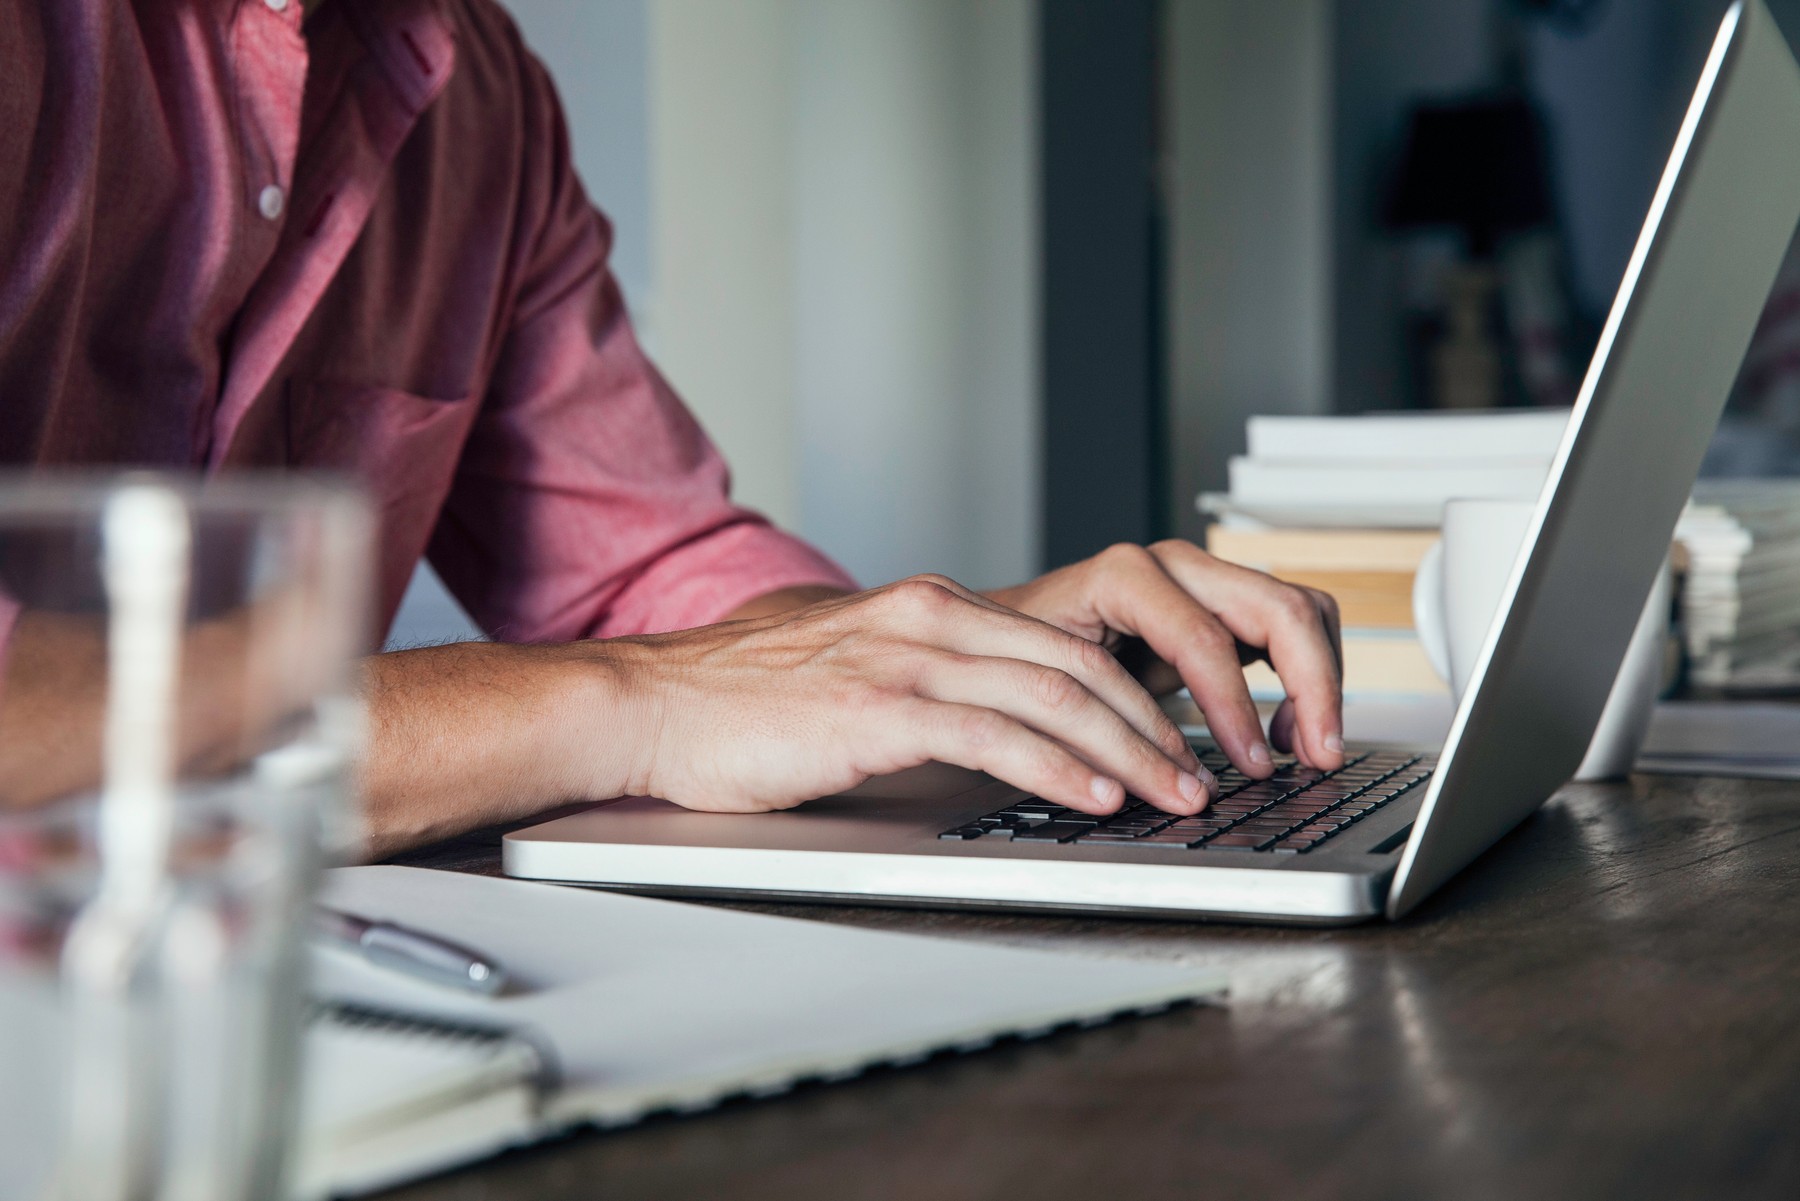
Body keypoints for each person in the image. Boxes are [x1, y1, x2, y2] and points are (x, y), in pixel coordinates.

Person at [0, 0, 1344, 856]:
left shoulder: (481, 95)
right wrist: (629, 703)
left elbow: (655, 568)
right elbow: (662, 671)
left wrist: (956, 653)